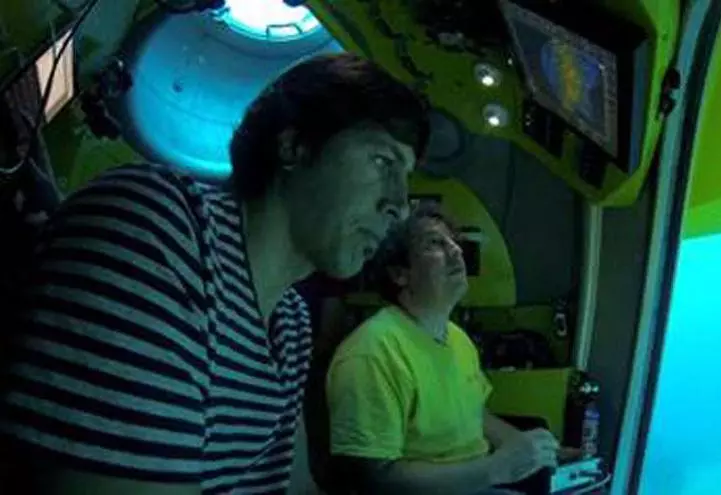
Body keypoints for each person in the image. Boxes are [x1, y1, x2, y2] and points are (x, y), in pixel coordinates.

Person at [0, 52, 429, 494]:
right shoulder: (160, 227)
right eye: (382, 162)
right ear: (295, 146)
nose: (399, 205)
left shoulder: (290, 325)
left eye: (406, 175)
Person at [325, 203, 562, 495]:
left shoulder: (458, 339)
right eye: (435, 244)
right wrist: (496, 468)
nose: (456, 251)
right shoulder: (372, 352)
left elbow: (475, 415)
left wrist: (536, 451)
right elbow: (377, 480)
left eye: (454, 241)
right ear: (400, 273)